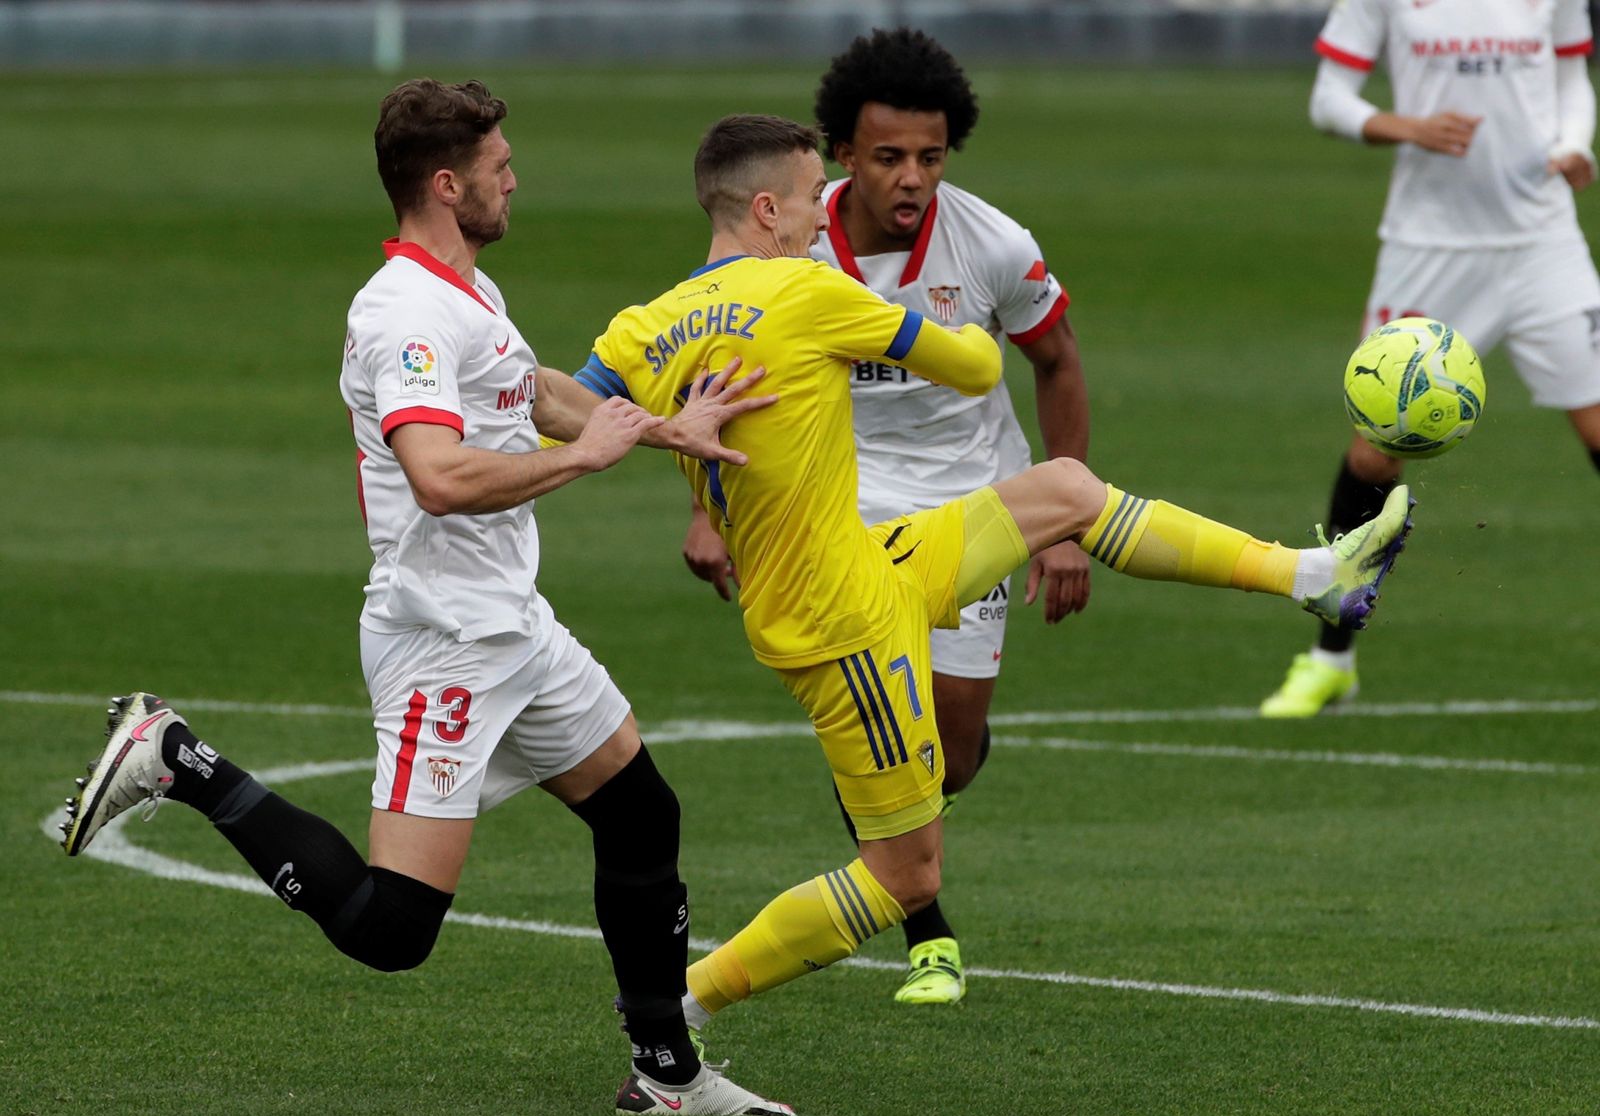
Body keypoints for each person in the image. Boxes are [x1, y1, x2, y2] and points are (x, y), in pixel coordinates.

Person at [574, 112, 1417, 1054]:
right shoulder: (809, 290)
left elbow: (558, 407)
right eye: (813, 199)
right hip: (841, 623)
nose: (821, 218)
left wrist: (662, 428)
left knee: (1066, 490)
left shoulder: (645, 326)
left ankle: (1317, 576)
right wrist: (890, 325)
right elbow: (976, 365)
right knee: (904, 878)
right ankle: (676, 1007)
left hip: (874, 560)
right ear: (767, 209)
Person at [58, 78, 794, 1116]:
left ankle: (667, 1075)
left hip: (515, 626)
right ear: (448, 185)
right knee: (391, 930)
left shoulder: (466, 292)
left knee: (640, 813)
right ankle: (179, 760)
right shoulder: (403, 312)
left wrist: (660, 425)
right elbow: (438, 477)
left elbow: (535, 389)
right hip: (443, 642)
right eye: (500, 168)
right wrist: (585, 458)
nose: (515, 181)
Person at [682, 28, 1091, 1007]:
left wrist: (1067, 522)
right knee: (877, 729)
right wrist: (706, 511)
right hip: (843, 511)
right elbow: (714, 381)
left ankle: (907, 837)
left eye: (931, 157)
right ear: (841, 153)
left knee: (950, 754)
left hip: (971, 500)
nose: (912, 178)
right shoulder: (785, 243)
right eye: (888, 156)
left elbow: (1057, 361)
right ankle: (924, 922)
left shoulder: (993, 245)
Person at [1262, 0, 1600, 717]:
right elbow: (1328, 100)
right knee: (1374, 457)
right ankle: (1331, 660)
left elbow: (1573, 77)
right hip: (1428, 248)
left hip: (1543, 243)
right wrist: (1406, 126)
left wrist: (1576, 144)